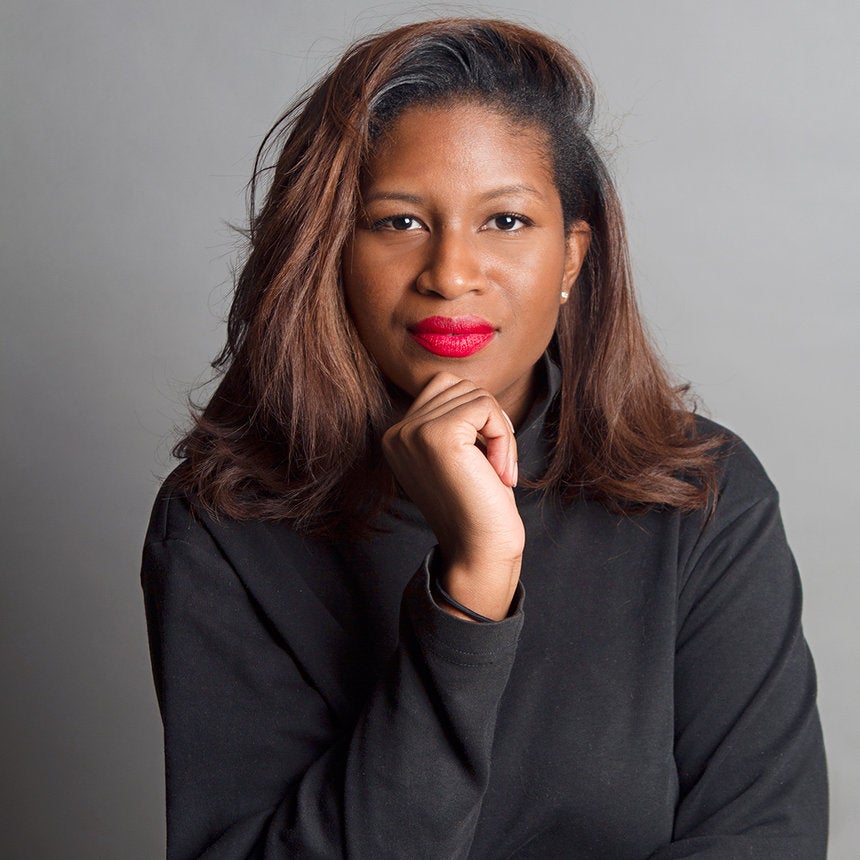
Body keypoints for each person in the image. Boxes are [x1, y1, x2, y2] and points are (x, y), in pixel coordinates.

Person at [141, 18, 828, 859]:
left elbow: (764, 838)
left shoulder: (702, 494)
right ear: (330, 252)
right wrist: (471, 591)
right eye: (398, 222)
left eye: (504, 220)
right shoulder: (222, 523)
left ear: (571, 257)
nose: (451, 273)